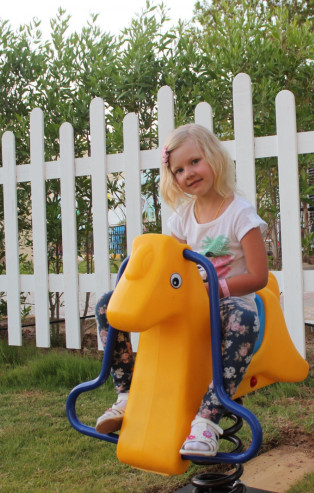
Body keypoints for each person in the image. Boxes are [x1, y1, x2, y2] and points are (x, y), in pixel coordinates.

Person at [94, 123, 268, 458]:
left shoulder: (240, 214)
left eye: (194, 162)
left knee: (245, 318)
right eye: (178, 170)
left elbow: (259, 276)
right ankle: (126, 394)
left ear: (214, 158)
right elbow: (168, 266)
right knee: (107, 303)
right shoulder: (182, 218)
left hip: (227, 304)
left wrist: (217, 288)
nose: (188, 173)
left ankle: (208, 420)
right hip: (189, 303)